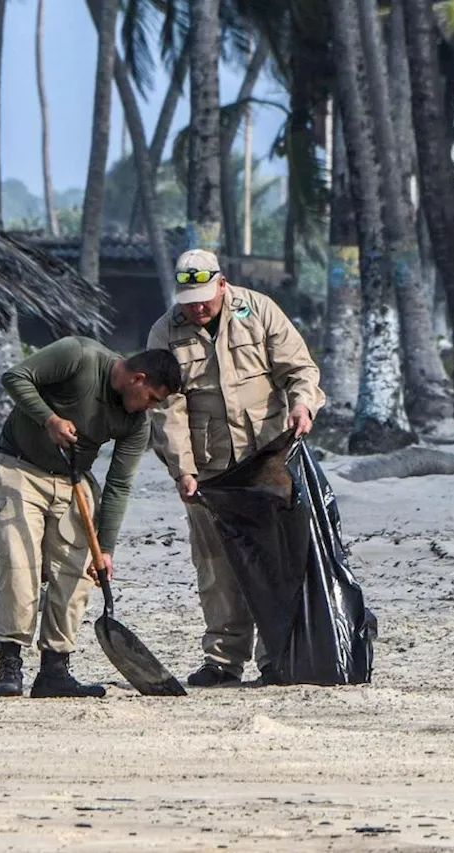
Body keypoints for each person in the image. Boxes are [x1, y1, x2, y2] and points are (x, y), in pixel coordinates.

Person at [146, 248, 325, 688]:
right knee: (216, 565)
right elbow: (166, 408)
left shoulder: (259, 311)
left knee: (274, 559)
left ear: (222, 284)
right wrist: (181, 469)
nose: (198, 306)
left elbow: (299, 369)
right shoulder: (166, 331)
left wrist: (303, 404)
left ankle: (276, 657)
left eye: (205, 297)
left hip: (265, 463)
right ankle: (223, 660)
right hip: (208, 472)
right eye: (189, 299)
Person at [0, 338, 181, 699]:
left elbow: (119, 484)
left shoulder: (136, 422)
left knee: (75, 572)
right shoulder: (78, 355)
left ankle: (54, 671)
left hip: (73, 480)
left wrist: (105, 549)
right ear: (137, 379)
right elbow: (15, 377)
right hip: (20, 468)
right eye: (153, 398)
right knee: (20, 566)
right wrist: (49, 419)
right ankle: (10, 665)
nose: (151, 408)